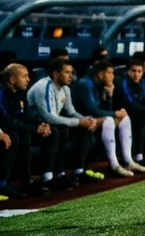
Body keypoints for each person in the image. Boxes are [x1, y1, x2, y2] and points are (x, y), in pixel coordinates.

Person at [27, 57, 104, 189]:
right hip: (35, 126)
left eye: (72, 72)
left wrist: (87, 120)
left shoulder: (65, 89)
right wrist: (79, 122)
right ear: (56, 74)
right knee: (59, 130)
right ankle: (48, 178)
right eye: (67, 72)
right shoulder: (43, 87)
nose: (71, 76)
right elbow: (49, 117)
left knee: (83, 129)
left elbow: (71, 112)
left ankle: (78, 172)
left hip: (51, 124)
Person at [72, 60, 145, 177]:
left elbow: (104, 109)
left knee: (124, 118)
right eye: (110, 73)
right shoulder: (86, 84)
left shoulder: (102, 85)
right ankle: (114, 165)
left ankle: (128, 160)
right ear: (101, 74)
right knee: (110, 119)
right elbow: (92, 109)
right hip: (83, 123)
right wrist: (114, 113)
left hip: (96, 120)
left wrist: (110, 97)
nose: (113, 76)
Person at [0, 64, 50, 197]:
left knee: (26, 135)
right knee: (13, 136)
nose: (28, 79)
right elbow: (5, 121)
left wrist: (41, 126)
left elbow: (24, 117)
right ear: (12, 79)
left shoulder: (20, 93)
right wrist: (35, 129)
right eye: (24, 76)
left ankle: (27, 182)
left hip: (11, 129)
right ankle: (1, 184)